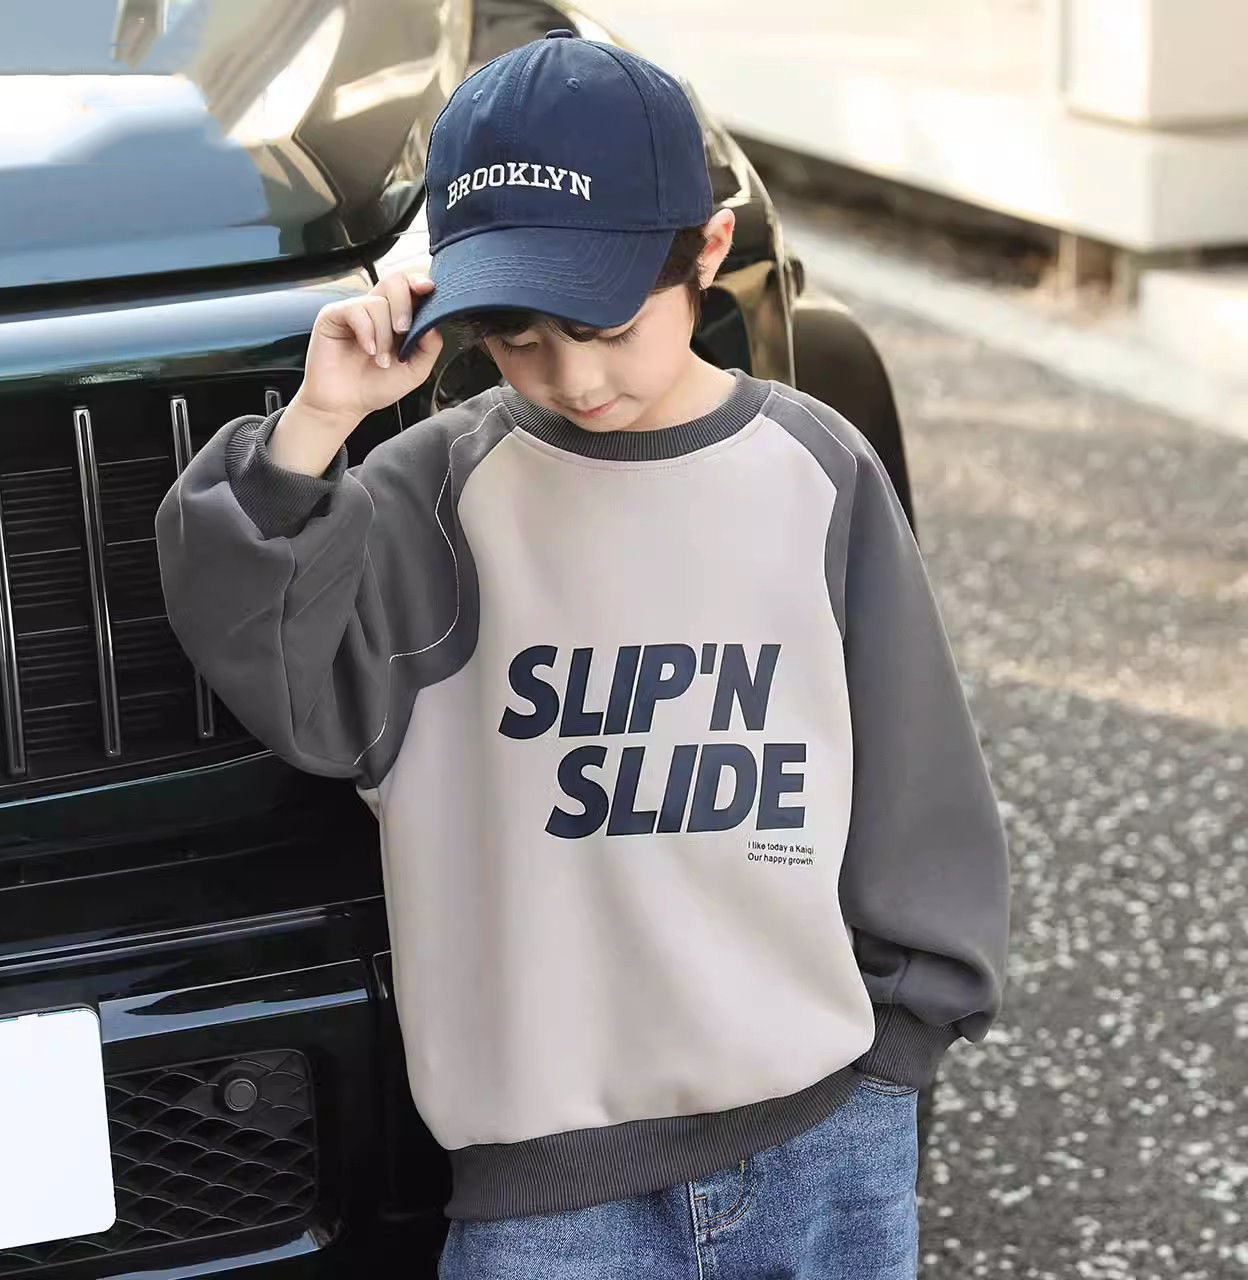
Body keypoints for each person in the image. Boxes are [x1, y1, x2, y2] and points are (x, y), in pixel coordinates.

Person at [156, 29, 1010, 1280]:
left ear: (705, 251)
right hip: (547, 1199)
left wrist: (901, 1048)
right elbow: (272, 661)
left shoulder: (814, 469)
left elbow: (913, 769)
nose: (568, 372)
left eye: (601, 321)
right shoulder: (435, 492)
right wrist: (319, 421)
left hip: (824, 1132)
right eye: (512, 335)